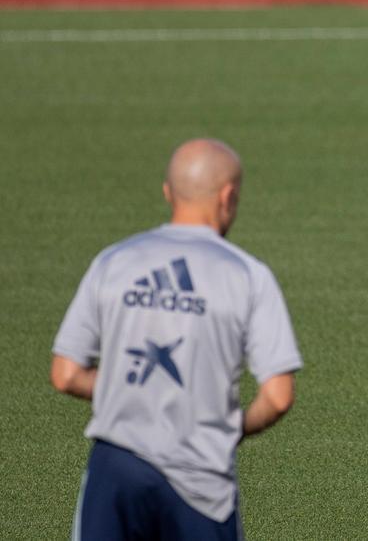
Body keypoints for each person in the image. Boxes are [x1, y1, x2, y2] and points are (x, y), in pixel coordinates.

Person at [50, 138, 303, 540]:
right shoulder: (247, 276)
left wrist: (132, 392)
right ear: (229, 195)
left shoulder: (114, 261)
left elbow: (65, 374)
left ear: (168, 192)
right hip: (201, 480)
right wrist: (230, 427)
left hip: (115, 473)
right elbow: (278, 396)